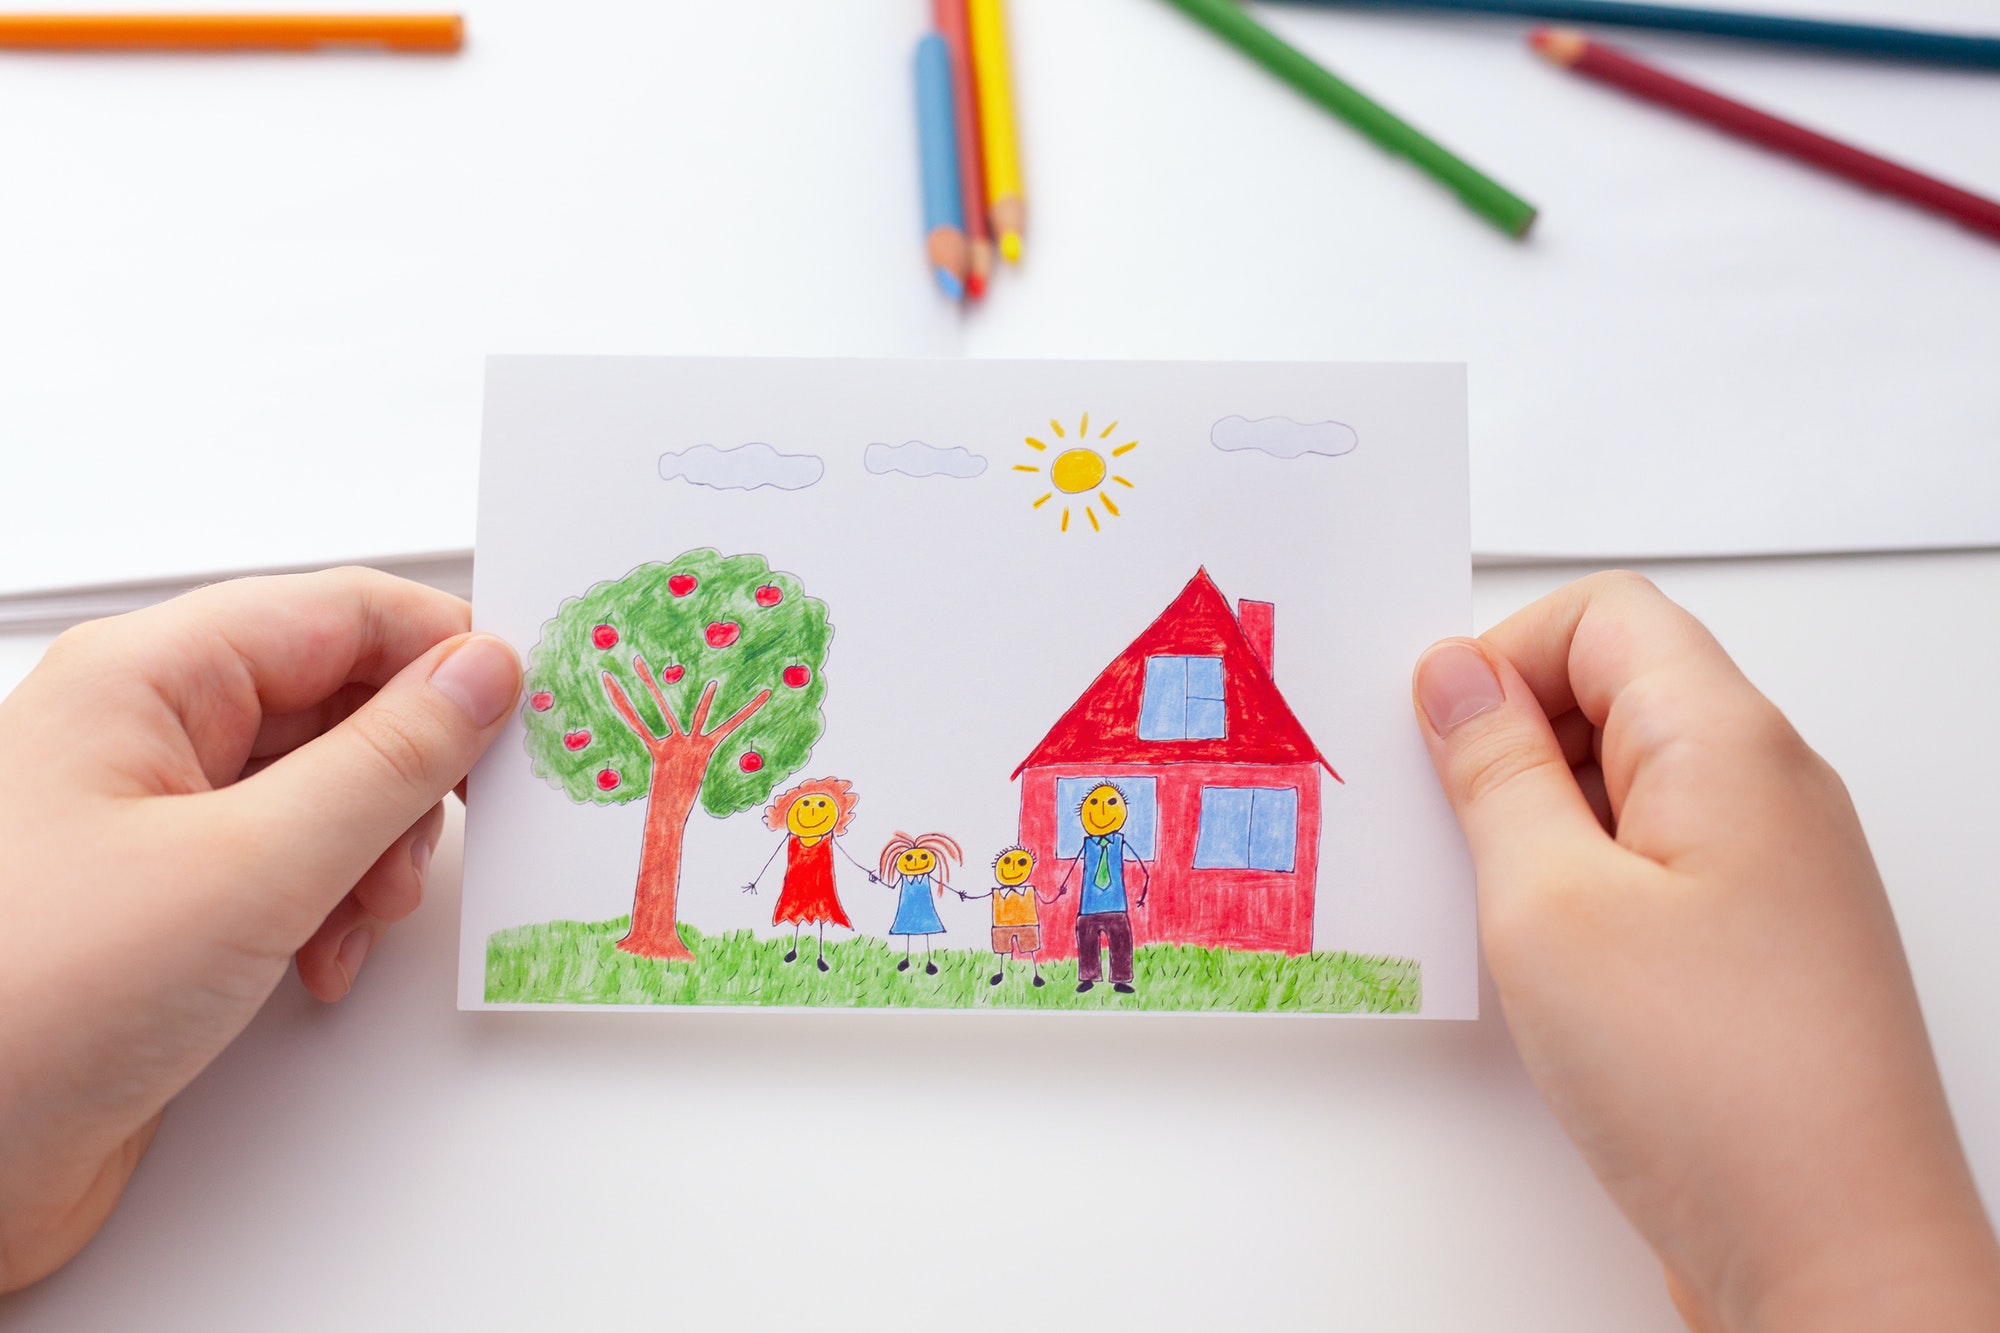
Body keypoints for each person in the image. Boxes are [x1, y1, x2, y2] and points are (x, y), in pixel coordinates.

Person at [0, 569, 1995, 1327]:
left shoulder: (1153, 781)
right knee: (943, 925)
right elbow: (998, 839)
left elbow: (1082, 835)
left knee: (1092, 935)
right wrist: (1842, 1248)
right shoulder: (1054, 797)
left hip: (1092, 923)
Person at [741, 776, 872, 972]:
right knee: (796, 914)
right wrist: (757, 880)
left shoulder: (826, 838)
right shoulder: (793, 837)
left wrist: (866, 871)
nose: (812, 809)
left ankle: (819, 954)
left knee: (820, 914)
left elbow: (847, 855)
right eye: (805, 803)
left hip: (821, 886)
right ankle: (794, 948)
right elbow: (774, 854)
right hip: (796, 885)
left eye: (821, 804)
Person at [1055, 783, 1150, 994]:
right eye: (1095, 803)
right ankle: (1089, 977)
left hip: (1116, 903)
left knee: (1121, 943)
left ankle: (1121, 979)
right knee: (1087, 942)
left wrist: (1144, 890)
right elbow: (1073, 867)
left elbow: (1144, 869)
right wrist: (1062, 887)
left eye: (1111, 802)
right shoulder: (1088, 843)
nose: (1103, 810)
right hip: (1088, 905)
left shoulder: (1119, 841)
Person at [957, 845, 1061, 987]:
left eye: (1022, 863)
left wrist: (1059, 894)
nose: (1012, 867)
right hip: (1001, 926)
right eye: (1006, 862)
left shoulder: (1029, 891)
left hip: (1027, 923)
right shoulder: (997, 893)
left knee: (1030, 949)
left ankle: (1035, 974)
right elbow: (978, 896)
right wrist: (966, 896)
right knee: (1002, 950)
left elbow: (1046, 900)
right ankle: (1000, 972)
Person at [876, 831, 962, 975]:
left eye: (923, 857)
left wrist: (959, 894)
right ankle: (908, 959)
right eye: (909, 858)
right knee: (909, 930)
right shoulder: (904, 878)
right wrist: (875, 879)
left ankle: (929, 961)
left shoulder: (926, 877)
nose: (915, 862)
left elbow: (945, 886)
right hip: (907, 909)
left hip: (924, 908)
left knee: (926, 931)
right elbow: (892, 886)